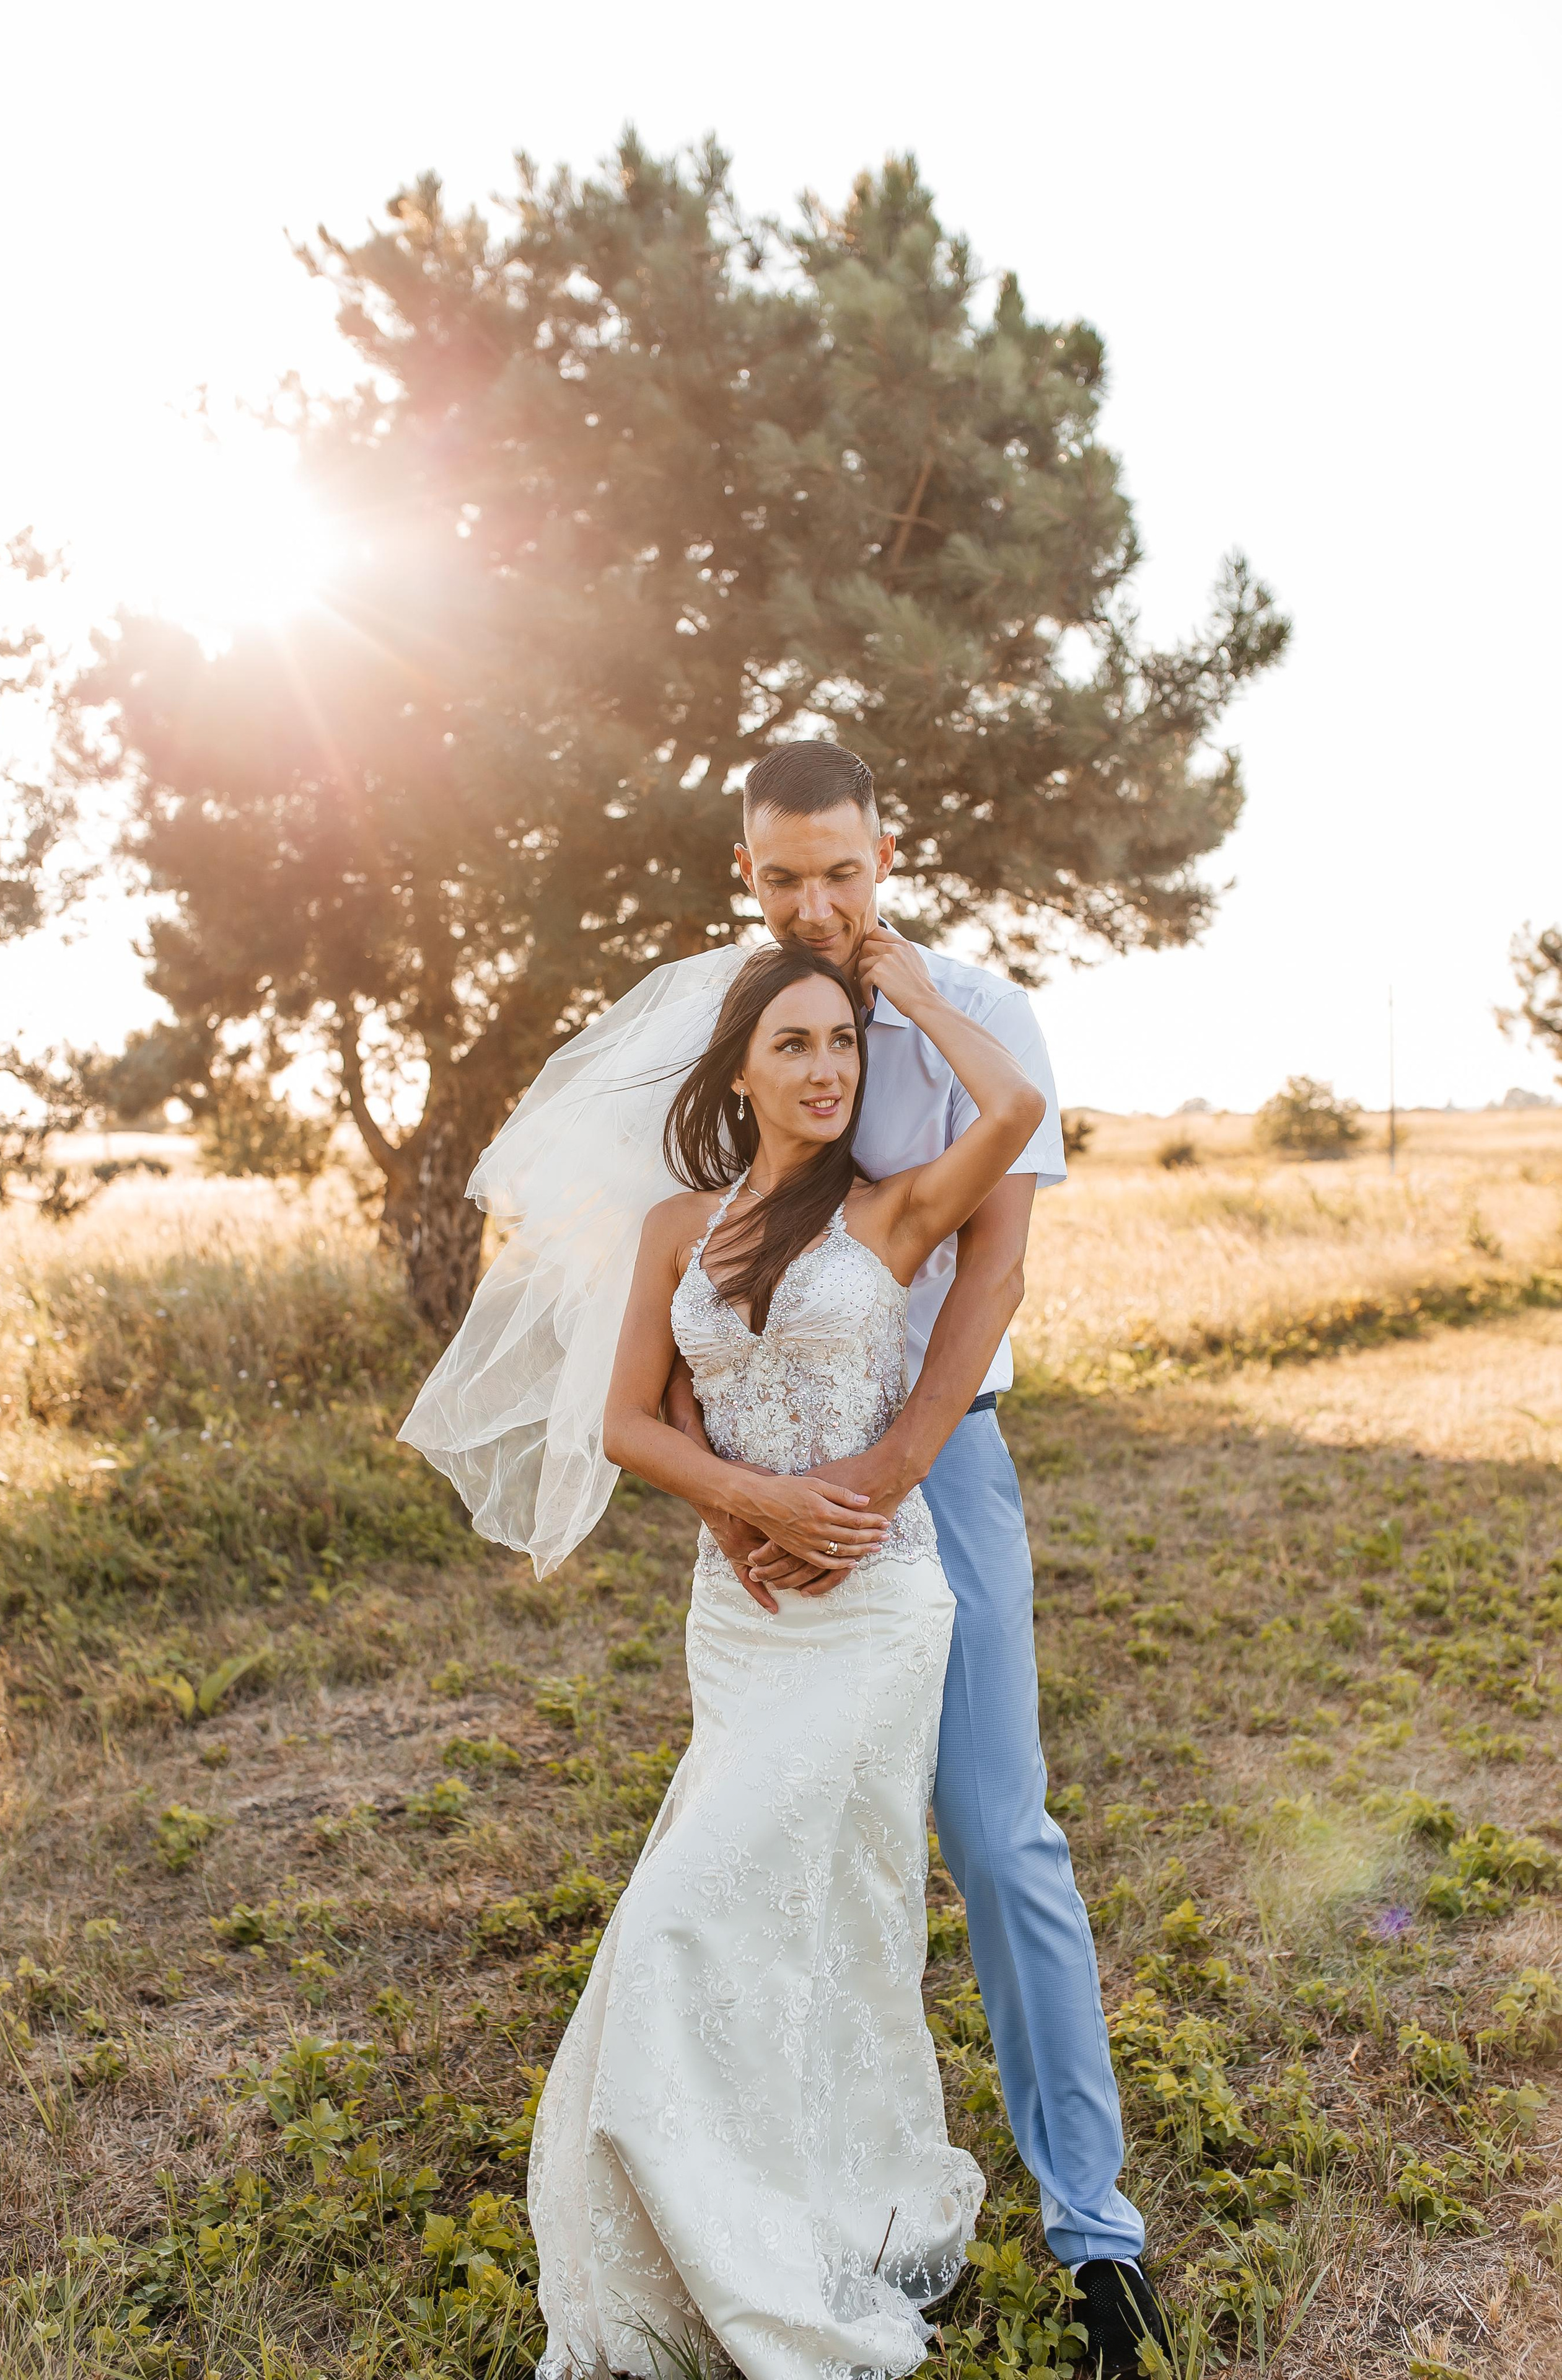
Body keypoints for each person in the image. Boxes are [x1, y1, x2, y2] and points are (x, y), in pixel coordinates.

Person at [401, 741, 1167, 2378]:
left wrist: (872, 1482)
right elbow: (681, 1333)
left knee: (997, 1832)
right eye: (779, 877)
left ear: (887, 854)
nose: (814, 905)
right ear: (745, 869)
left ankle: (1094, 2236)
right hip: (758, 1512)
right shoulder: (731, 1014)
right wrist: (739, 1502)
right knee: (785, 1868)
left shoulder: (981, 1010)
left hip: (928, 1467)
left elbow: (990, 1277)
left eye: (840, 872)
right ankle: (771, 2191)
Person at [527, 932, 1040, 2380]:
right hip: (740, 1612)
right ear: (740, 1071)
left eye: (843, 1046)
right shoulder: (676, 1229)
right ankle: (728, 2219)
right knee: (745, 1907)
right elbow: (628, 1421)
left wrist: (919, 1001)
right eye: (795, 1047)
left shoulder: (887, 1214)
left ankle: (803, 2225)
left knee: (762, 1907)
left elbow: (1005, 1116)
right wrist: (744, 1503)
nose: (826, 1071)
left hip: (877, 1611)